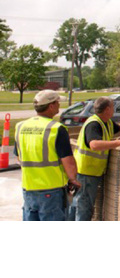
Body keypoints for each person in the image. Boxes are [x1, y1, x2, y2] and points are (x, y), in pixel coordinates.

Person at [14, 90, 81, 221]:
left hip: (28, 188)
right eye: (57, 103)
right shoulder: (56, 128)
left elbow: (19, 157)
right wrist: (73, 179)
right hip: (51, 189)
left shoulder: (20, 126)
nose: (59, 106)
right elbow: (68, 160)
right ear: (51, 105)